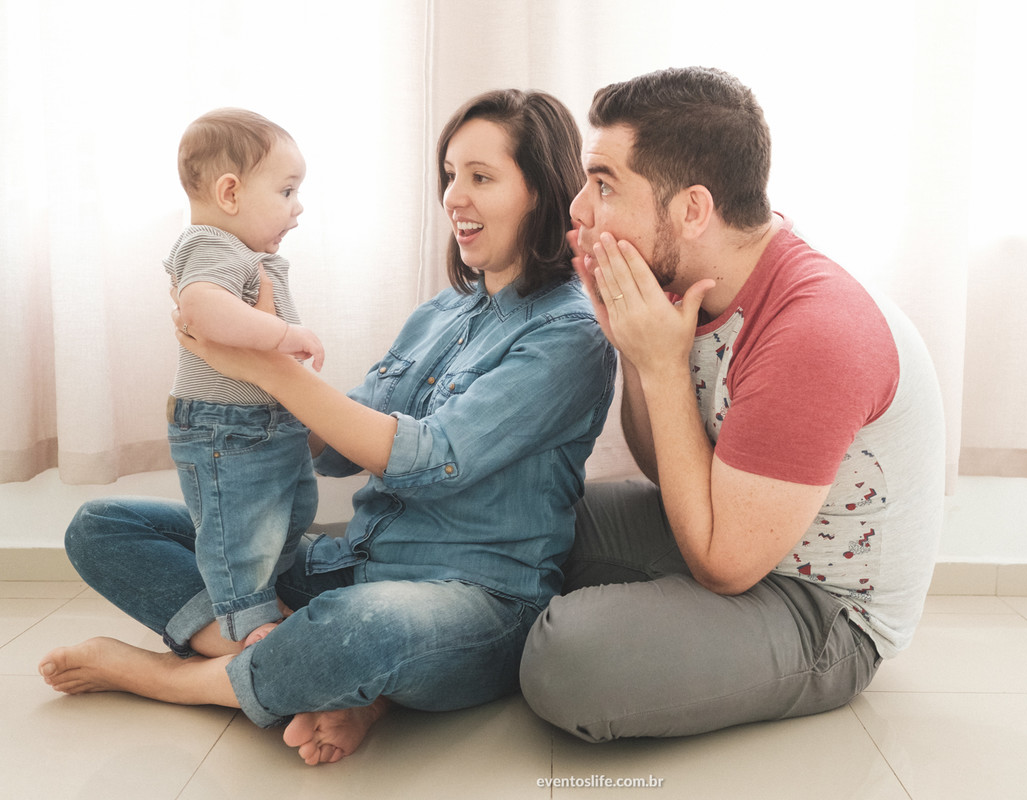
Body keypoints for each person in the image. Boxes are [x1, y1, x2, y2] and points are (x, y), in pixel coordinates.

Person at [38, 89, 615, 766]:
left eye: (481, 178)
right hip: (348, 566)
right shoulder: (443, 312)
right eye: (451, 175)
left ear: (542, 193)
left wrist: (273, 370)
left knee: (357, 632)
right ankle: (315, 672)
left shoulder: (571, 334)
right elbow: (340, 451)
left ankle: (176, 678)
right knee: (102, 527)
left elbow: (431, 459)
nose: (455, 197)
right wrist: (237, 379)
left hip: (475, 600)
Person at [519, 66, 946, 742]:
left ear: (692, 210)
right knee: (523, 500)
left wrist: (661, 366)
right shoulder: (701, 281)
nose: (578, 210)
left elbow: (723, 565)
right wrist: (634, 349)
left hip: (824, 609)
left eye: (603, 185)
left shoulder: (814, 330)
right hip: (732, 532)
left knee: (567, 657)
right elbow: (672, 476)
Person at [164, 108, 325, 647]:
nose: (297, 209)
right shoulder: (209, 245)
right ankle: (248, 627)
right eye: (286, 192)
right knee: (241, 533)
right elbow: (200, 310)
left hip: (266, 421)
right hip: (224, 429)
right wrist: (281, 337)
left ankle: (263, 596)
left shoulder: (243, 251)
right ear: (229, 193)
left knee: (292, 512)